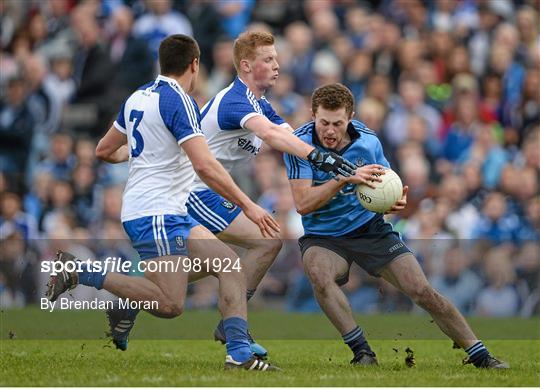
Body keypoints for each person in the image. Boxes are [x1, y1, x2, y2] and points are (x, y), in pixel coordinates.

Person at [109, 30, 358, 358]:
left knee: (216, 265)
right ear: (245, 66)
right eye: (268, 59)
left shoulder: (260, 103)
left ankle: (137, 294)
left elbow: (291, 136)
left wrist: (344, 142)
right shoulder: (235, 101)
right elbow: (270, 135)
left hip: (206, 190)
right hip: (196, 190)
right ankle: (232, 328)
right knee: (263, 241)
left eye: (276, 58)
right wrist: (324, 160)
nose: (277, 65)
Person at [46, 34, 281, 371]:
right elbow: (205, 165)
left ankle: (239, 353)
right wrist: (249, 204)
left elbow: (103, 150)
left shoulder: (137, 97)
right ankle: (81, 272)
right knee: (171, 304)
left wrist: (143, 155)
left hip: (166, 208)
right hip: (155, 211)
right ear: (194, 64)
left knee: (228, 265)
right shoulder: (180, 101)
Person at [283, 83, 509, 369]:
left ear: (350, 117)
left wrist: (393, 200)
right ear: (313, 114)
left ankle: (480, 355)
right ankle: (362, 352)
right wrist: (344, 176)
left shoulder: (368, 141)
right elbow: (302, 203)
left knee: (422, 291)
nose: (329, 130)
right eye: (323, 122)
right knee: (318, 273)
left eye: (337, 123)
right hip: (324, 236)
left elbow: (386, 182)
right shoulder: (298, 145)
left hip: (370, 229)